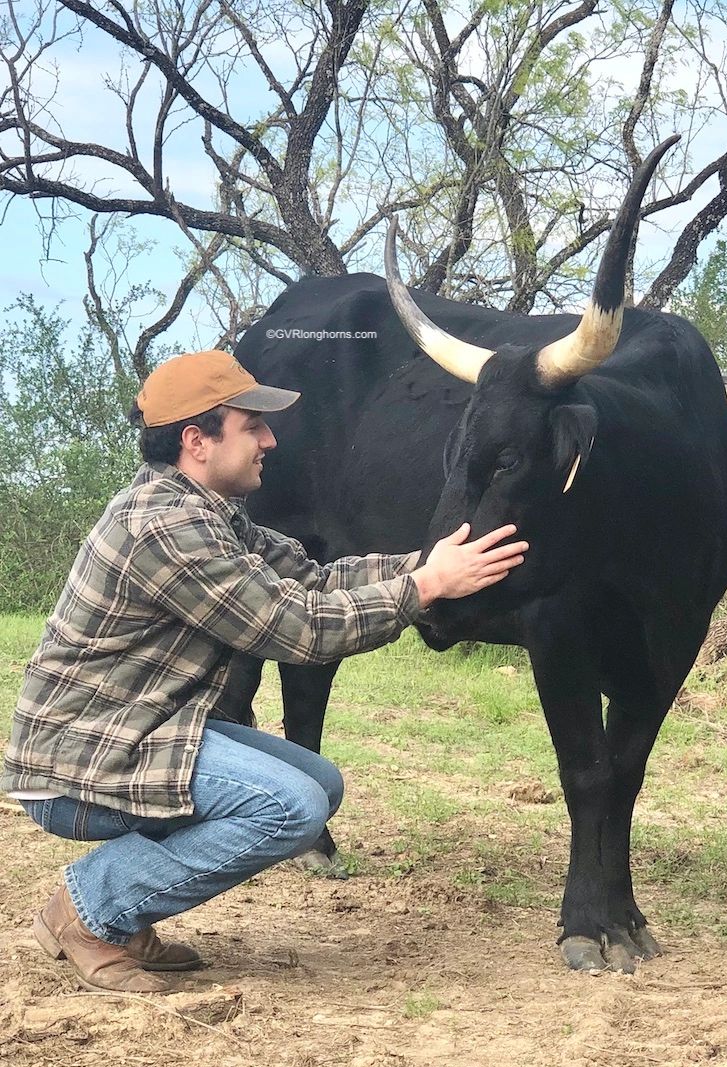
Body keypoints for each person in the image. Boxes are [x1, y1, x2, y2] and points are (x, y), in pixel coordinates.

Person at [1, 349, 528, 995]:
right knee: (289, 807)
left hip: (140, 730)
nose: (270, 440)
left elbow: (315, 579)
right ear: (197, 440)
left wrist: (427, 562)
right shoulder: (165, 527)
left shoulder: (210, 514)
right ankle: (88, 912)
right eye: (252, 425)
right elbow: (299, 629)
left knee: (317, 782)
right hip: (79, 762)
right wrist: (423, 587)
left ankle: (121, 915)